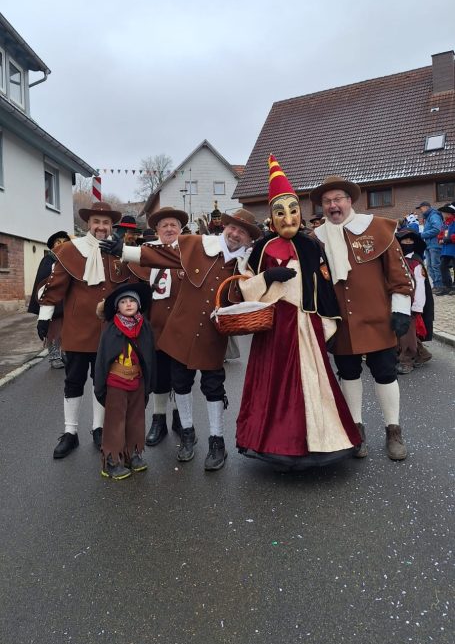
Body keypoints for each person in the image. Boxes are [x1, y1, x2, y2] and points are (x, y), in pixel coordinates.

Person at [101, 208, 260, 470]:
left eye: (242, 232)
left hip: (212, 338)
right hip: (180, 332)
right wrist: (124, 251)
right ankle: (187, 434)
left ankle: (217, 442)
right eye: (233, 228)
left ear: (248, 238)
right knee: (181, 383)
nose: (235, 234)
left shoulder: (245, 268)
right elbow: (160, 255)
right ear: (225, 227)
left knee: (213, 388)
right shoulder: (195, 245)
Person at [235, 156, 360, 470]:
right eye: (281, 212)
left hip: (305, 324)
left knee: (314, 382)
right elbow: (245, 285)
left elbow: (324, 284)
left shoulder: (311, 246)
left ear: (300, 213)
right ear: (272, 217)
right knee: (273, 384)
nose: (288, 218)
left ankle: (322, 442)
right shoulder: (262, 248)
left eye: (293, 211)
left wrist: (327, 321)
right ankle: (275, 443)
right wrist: (267, 277)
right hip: (274, 327)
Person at [311, 175, 414, 461]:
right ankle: (355, 431)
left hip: (377, 319)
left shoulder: (377, 228)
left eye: (338, 199)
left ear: (349, 201)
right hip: (340, 323)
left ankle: (393, 430)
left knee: (386, 374)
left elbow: (399, 274)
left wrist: (401, 309)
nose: (333, 206)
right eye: (327, 201)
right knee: (348, 374)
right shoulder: (316, 239)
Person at [37, 201, 132, 459]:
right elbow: (55, 286)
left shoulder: (119, 252)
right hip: (78, 331)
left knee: (103, 382)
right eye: (96, 222)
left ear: (111, 226)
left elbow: (132, 286)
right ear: (88, 224)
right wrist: (44, 318)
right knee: (74, 381)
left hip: (109, 332)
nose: (101, 227)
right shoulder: (71, 250)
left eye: (106, 223)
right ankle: (70, 432)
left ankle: (99, 429)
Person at [127, 206, 188, 445]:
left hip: (182, 327)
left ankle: (181, 419)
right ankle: (158, 419)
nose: (169, 229)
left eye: (173, 225)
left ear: (180, 229)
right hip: (156, 327)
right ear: (157, 230)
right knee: (159, 376)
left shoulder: (190, 253)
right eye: (164, 226)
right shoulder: (146, 254)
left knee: (182, 377)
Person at [94, 282, 155, 480]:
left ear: (138, 304)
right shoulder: (111, 329)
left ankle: (132, 453)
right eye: (123, 302)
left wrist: (149, 382)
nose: (128, 304)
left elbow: (149, 356)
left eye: (132, 301)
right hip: (116, 382)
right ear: (117, 307)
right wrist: (100, 385)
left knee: (136, 419)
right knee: (115, 422)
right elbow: (103, 358)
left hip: (137, 381)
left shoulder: (144, 327)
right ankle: (112, 460)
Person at [28, 230, 70, 369]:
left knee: (65, 330)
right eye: (58, 242)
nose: (62, 244)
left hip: (67, 301)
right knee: (53, 331)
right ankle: (54, 357)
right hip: (51, 302)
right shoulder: (48, 260)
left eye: (65, 242)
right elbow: (42, 282)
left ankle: (63, 353)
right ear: (53, 245)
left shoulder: (70, 260)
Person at [395, 229, 433, 374]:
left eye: (410, 240)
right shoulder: (396, 259)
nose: (407, 243)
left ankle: (406, 359)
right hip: (396, 300)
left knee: (407, 333)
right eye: (404, 240)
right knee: (399, 328)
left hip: (410, 303)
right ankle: (423, 354)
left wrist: (417, 306)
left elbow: (421, 286)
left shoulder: (416, 262)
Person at [416, 201, 444, 292]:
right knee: (429, 266)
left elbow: (437, 229)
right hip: (429, 245)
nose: (420, 210)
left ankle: (439, 285)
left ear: (426, 207)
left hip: (435, 245)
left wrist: (422, 235)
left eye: (421, 208)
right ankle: (436, 285)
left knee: (435, 265)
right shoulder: (428, 217)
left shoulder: (434, 216)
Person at [436, 202, 455, 295]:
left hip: (453, 248)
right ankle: (447, 286)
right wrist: (440, 239)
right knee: (443, 266)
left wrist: (448, 239)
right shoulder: (445, 224)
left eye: (444, 213)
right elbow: (440, 234)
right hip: (446, 249)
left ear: (449, 213)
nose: (442, 214)